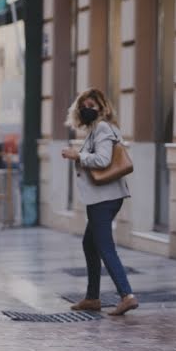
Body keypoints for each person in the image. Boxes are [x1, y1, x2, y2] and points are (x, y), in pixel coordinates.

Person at [61, 88, 138, 316]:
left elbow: (103, 160)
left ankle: (127, 295)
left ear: (101, 108)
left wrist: (78, 155)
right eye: (84, 106)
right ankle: (93, 298)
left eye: (92, 106)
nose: (87, 110)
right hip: (105, 197)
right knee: (90, 243)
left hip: (104, 198)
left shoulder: (103, 128)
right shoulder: (98, 129)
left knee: (104, 246)